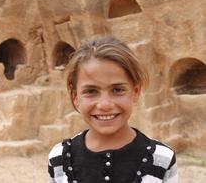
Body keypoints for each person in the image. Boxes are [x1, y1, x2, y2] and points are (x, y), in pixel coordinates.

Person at [48, 35, 178, 183]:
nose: (105, 105)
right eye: (91, 91)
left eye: (117, 90)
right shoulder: (59, 158)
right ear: (76, 97)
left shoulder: (162, 158)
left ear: (135, 92)